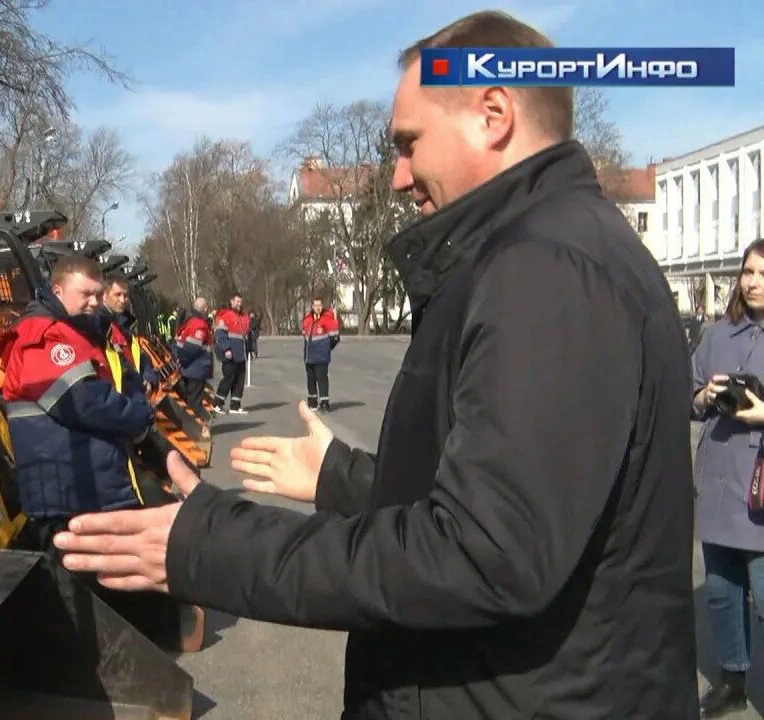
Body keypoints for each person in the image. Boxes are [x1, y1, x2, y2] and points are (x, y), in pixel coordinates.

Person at [51, 10, 698, 719]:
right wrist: (347, 480)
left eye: (408, 144)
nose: (397, 176)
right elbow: (507, 500)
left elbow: (483, 556)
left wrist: (212, 545)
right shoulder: (546, 256)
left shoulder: (548, 270)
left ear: (492, 112)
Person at [0, 253, 157, 547]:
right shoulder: (42, 338)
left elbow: (121, 378)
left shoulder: (79, 333)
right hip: (71, 495)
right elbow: (88, 403)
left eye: (98, 295)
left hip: (89, 487)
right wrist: (140, 418)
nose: (95, 302)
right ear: (58, 291)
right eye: (85, 294)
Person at [690, 238, 764, 718]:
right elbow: (688, 389)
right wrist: (702, 397)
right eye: (748, 272)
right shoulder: (719, 334)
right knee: (721, 593)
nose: (753, 282)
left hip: (759, 489)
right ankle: (733, 680)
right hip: (717, 483)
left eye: (763, 273)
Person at [101, 273, 160, 395]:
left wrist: (148, 379)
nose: (123, 300)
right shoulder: (99, 326)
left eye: (126, 296)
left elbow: (140, 357)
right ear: (104, 296)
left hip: (135, 393)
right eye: (117, 295)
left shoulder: (125, 324)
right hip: (119, 396)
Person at [173, 297, 214, 413]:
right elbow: (192, 348)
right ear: (205, 309)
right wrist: (183, 361)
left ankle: (196, 425)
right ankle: (196, 427)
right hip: (196, 368)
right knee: (195, 401)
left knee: (192, 398)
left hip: (190, 367)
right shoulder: (199, 324)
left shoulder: (190, 322)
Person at [212, 293, 251, 414]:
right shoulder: (225, 315)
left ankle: (235, 405)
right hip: (230, 354)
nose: (239, 304)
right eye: (237, 301)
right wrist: (226, 349)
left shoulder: (243, 317)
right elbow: (220, 335)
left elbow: (247, 336)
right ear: (231, 302)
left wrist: (251, 350)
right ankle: (217, 403)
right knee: (228, 379)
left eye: (240, 302)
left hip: (241, 354)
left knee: (240, 380)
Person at [301, 298, 340, 411]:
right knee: (310, 379)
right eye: (315, 305)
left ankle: (324, 402)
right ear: (312, 307)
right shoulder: (307, 320)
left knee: (322, 378)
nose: (318, 307)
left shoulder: (327, 319)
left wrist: (326, 348)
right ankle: (312, 401)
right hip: (309, 356)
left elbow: (335, 338)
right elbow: (305, 337)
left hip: (321, 356)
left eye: (320, 305)